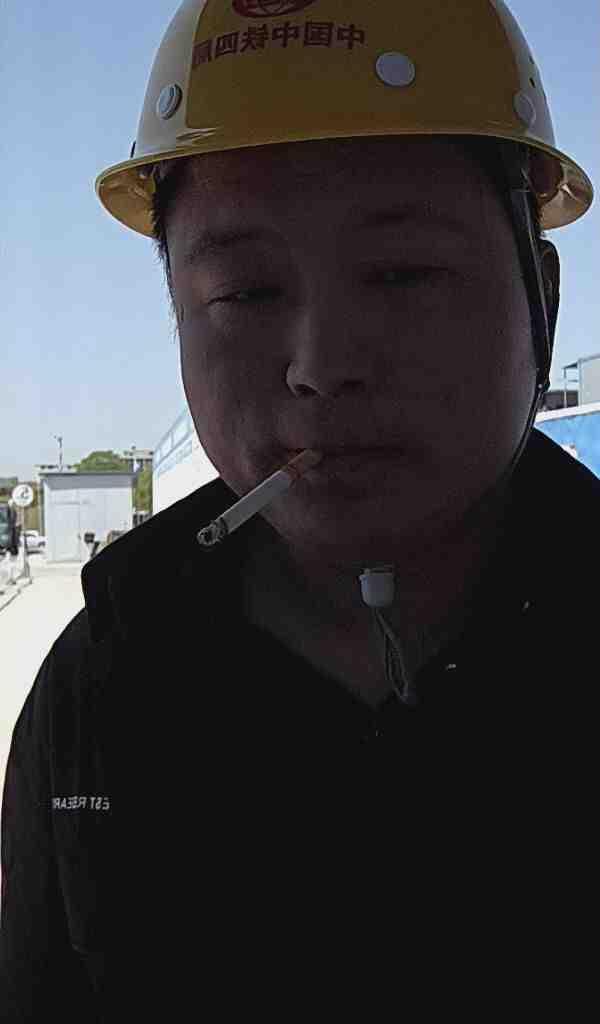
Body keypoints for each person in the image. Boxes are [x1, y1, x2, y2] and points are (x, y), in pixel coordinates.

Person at [1, 1, 597, 1019]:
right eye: (245, 293)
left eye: (401, 273)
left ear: (540, 296)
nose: (322, 367)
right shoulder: (100, 690)